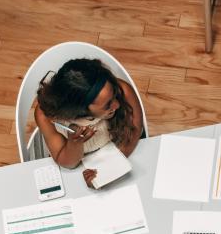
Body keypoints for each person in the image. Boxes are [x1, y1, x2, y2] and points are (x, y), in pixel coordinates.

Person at [35, 58, 144, 187]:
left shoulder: (123, 89)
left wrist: (107, 171)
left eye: (114, 94)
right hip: (79, 166)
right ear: (80, 111)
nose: (118, 104)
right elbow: (68, 163)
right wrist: (74, 144)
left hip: (119, 151)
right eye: (107, 105)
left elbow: (134, 131)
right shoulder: (45, 117)